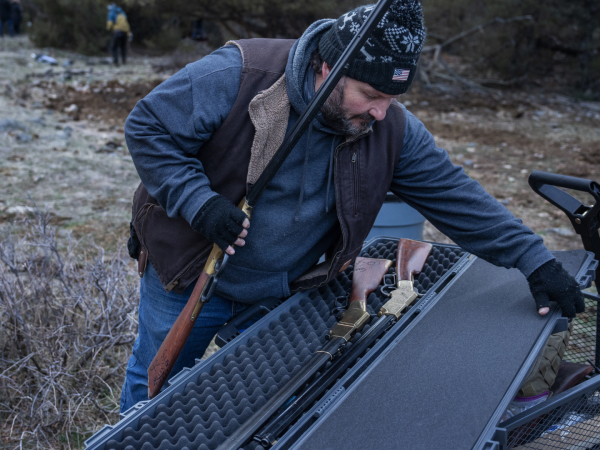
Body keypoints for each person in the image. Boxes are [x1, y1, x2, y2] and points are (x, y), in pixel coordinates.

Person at [120, 0, 585, 412]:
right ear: (326, 68)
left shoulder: (390, 128)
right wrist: (199, 203)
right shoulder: (242, 73)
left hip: (285, 287)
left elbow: (459, 198)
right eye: (372, 95)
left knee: (266, 405)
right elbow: (147, 128)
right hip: (187, 271)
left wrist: (533, 259)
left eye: (392, 98)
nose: (381, 112)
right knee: (152, 391)